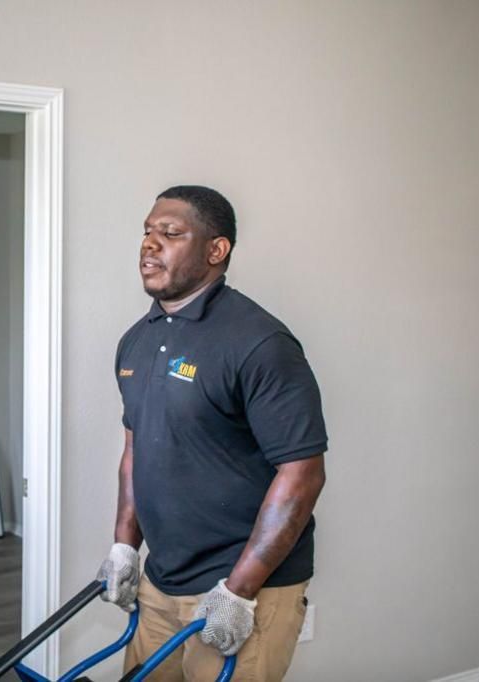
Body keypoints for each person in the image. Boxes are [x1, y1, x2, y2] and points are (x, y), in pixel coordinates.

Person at [98, 186, 328, 682]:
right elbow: (136, 451)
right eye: (147, 232)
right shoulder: (137, 341)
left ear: (216, 250)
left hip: (243, 584)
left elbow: (302, 474)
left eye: (171, 233)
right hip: (163, 578)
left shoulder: (259, 342)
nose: (149, 244)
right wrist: (123, 546)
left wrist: (239, 590)